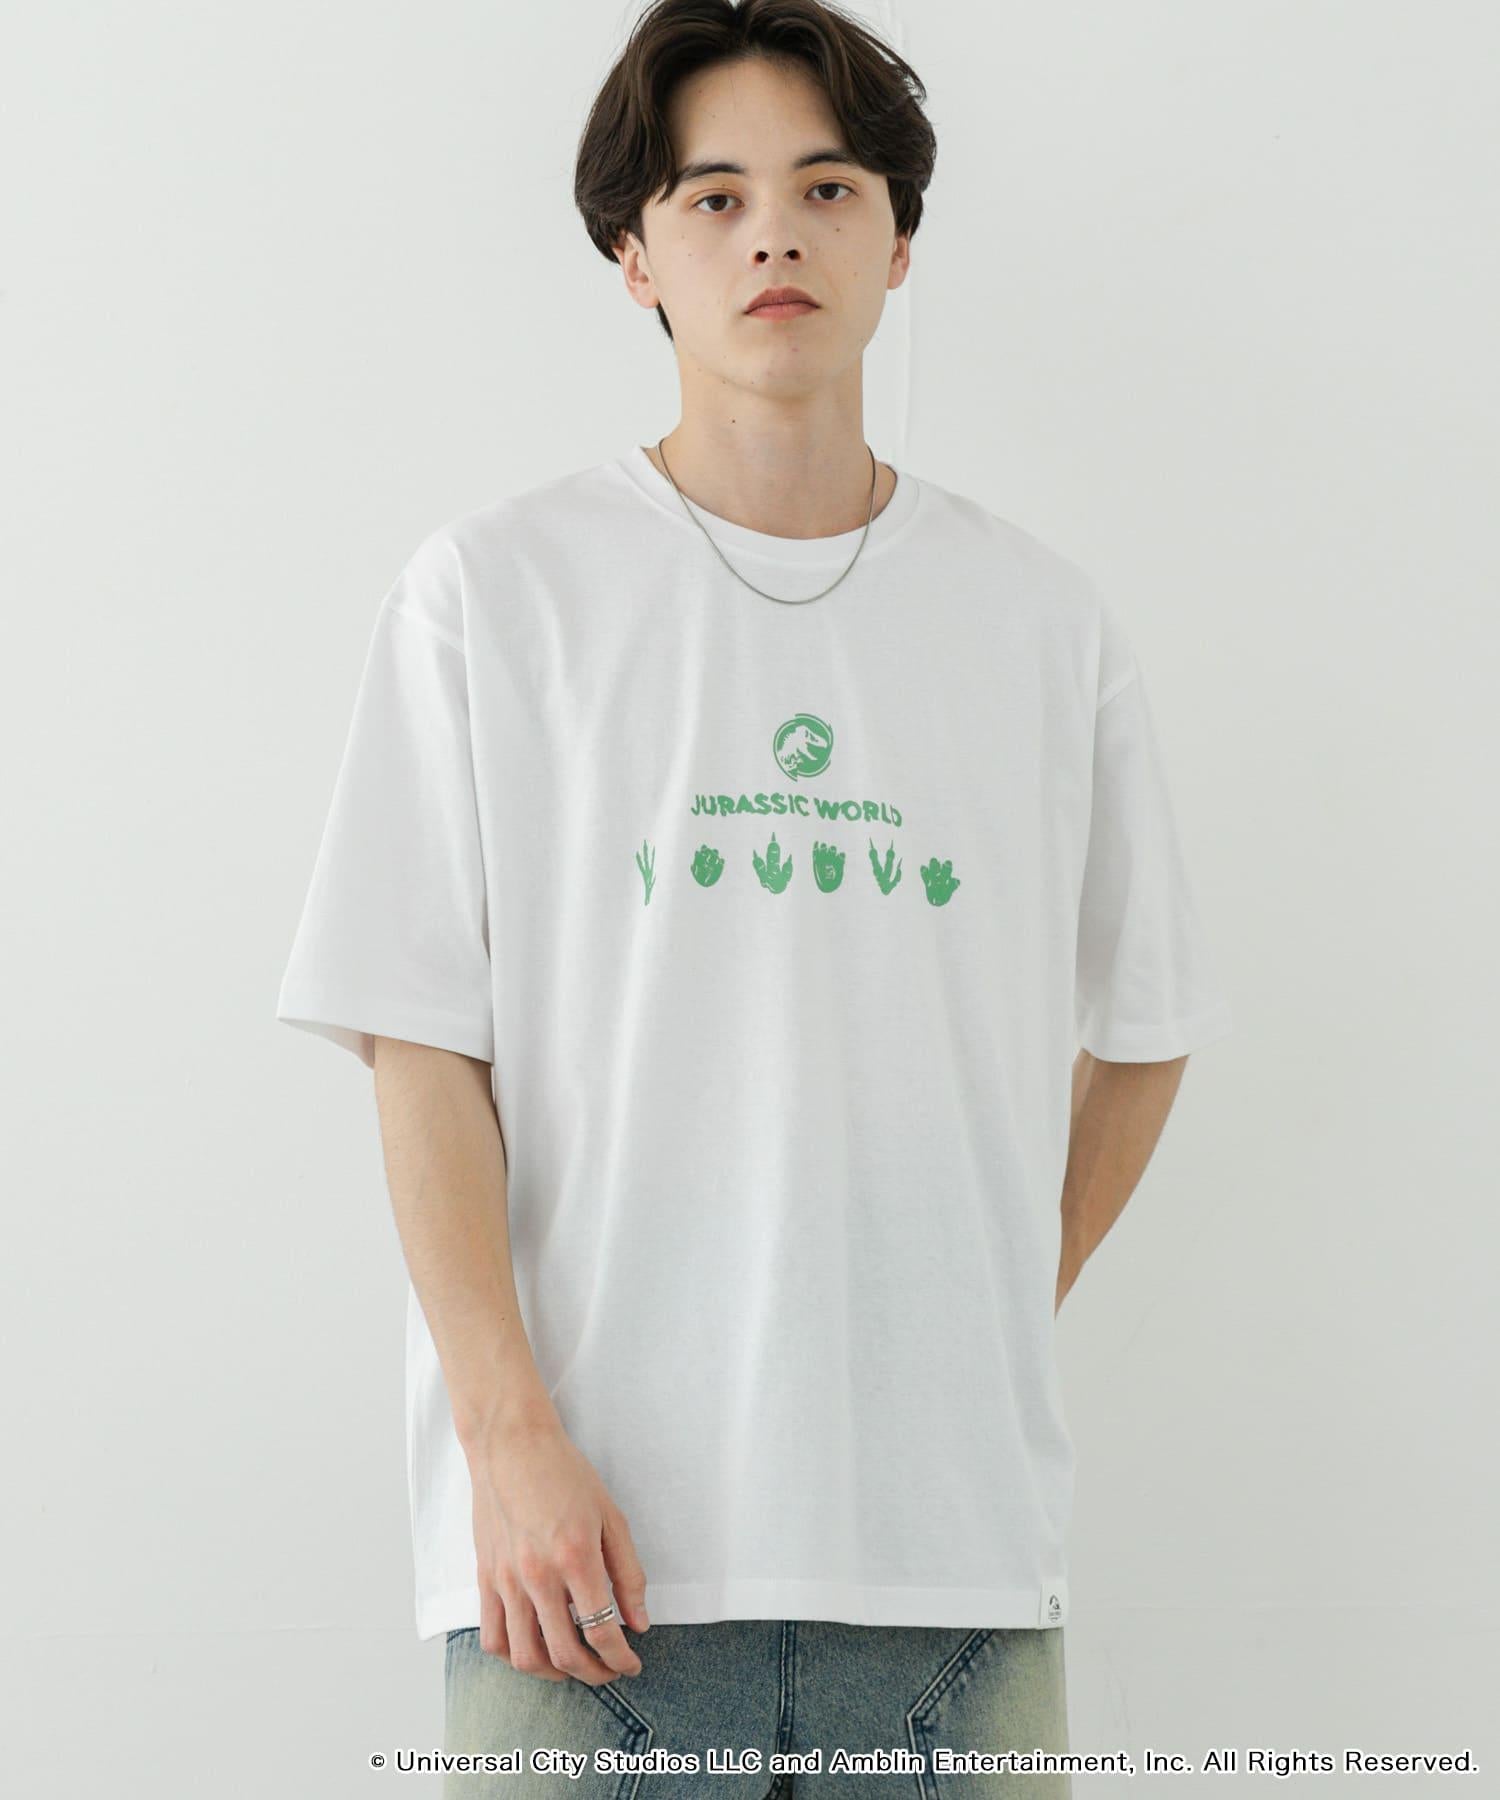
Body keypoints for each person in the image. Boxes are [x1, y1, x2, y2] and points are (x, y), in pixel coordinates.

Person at [275, 0, 1233, 1790]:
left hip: (952, 1582)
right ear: (635, 257)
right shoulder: (496, 596)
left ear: (899, 240)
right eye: (712, 197)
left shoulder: (1038, 622)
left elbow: (1151, 1026)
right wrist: (506, 1439)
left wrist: (989, 1303)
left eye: (827, 187)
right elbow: (419, 1047)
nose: (774, 233)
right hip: (580, 1581)